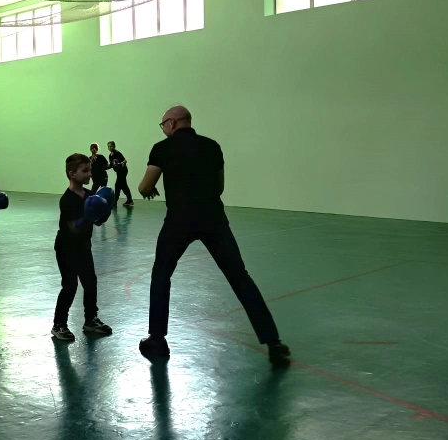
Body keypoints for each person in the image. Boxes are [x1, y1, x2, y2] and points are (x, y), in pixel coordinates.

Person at [137, 106, 290, 365]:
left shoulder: (162, 148)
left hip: (178, 221)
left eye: (163, 124)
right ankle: (274, 343)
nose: (163, 129)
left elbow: (144, 186)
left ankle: (157, 340)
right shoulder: (212, 146)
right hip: (214, 220)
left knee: (161, 275)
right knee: (240, 277)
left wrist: (152, 189)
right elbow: (219, 187)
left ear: (172, 123)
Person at [52, 153, 113, 341]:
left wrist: (105, 210)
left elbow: (98, 222)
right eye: (85, 171)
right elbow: (72, 229)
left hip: (83, 247)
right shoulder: (67, 199)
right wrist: (87, 216)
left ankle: (90, 319)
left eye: (90, 170)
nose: (89, 174)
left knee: (90, 282)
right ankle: (59, 324)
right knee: (70, 286)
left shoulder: (89, 194)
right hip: (66, 247)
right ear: (72, 174)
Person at [107, 141, 134, 207]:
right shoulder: (110, 155)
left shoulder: (117, 153)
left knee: (117, 185)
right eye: (108, 146)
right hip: (119, 172)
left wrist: (121, 163)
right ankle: (129, 200)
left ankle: (115, 202)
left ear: (114, 146)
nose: (110, 148)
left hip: (123, 171)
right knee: (123, 185)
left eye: (111, 146)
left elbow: (125, 160)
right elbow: (111, 164)